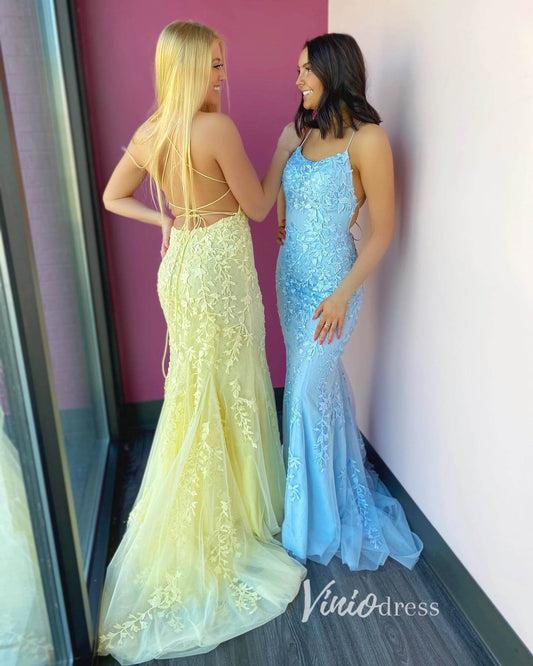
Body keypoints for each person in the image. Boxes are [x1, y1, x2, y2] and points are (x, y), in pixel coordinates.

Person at [97, 20, 306, 664]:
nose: (223, 74)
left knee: (195, 386)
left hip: (181, 265)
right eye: (214, 64)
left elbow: (112, 196)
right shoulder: (216, 129)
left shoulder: (151, 131)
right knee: (229, 381)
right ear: (187, 69)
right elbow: (258, 206)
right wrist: (282, 151)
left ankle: (206, 502)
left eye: (222, 61)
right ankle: (233, 514)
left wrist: (163, 219)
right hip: (218, 269)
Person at [276, 33, 423, 571]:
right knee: (312, 389)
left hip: (333, 288)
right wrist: (287, 218)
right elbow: (292, 190)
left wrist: (342, 295)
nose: (298, 80)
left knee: (304, 396)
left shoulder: (369, 139)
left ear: (333, 71)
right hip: (290, 279)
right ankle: (324, 499)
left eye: (306, 70)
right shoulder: (305, 131)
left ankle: (310, 523)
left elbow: (383, 232)